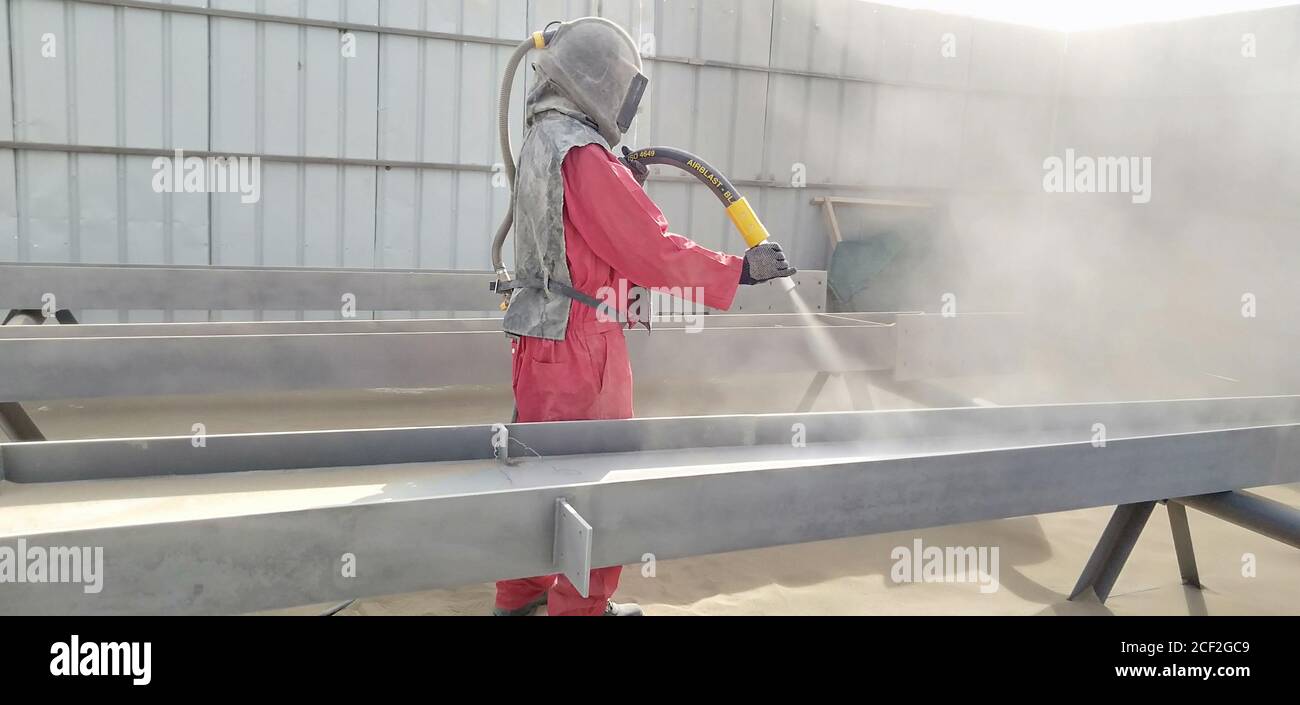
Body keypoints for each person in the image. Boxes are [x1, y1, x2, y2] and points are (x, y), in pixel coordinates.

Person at [494, 17, 794, 617]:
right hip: (584, 347)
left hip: (538, 337)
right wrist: (738, 270)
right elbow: (650, 251)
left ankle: (517, 599)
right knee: (599, 486)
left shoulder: (542, 141)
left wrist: (615, 180)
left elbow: (578, 236)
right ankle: (582, 609)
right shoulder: (583, 152)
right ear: (600, 85)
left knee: (533, 478)